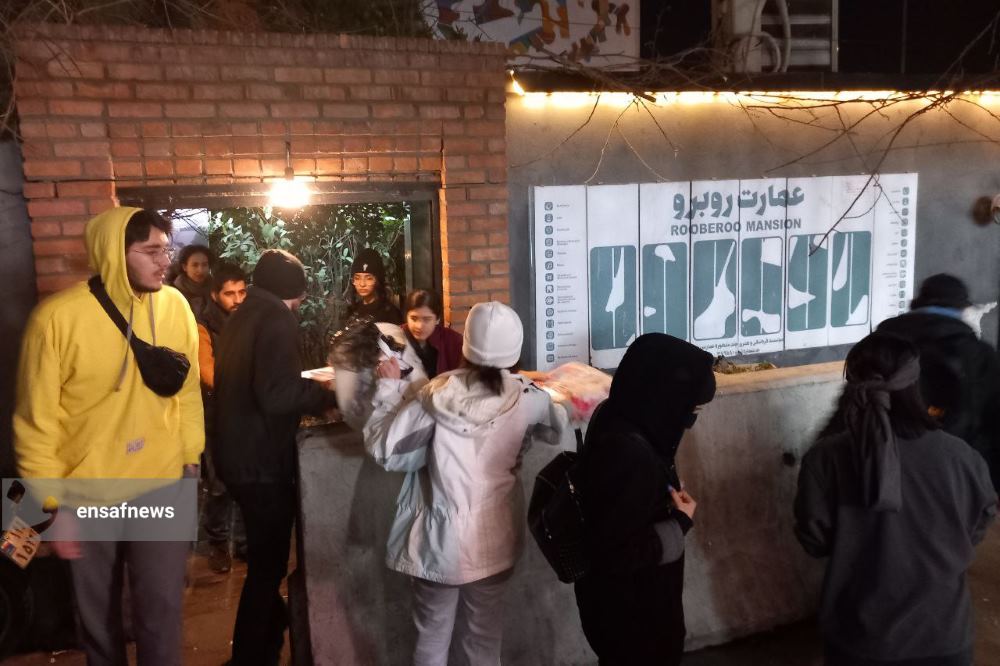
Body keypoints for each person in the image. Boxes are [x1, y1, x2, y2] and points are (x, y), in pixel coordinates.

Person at [14, 207, 205, 665]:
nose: (165, 262)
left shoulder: (175, 306)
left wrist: (190, 457)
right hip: (86, 494)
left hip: (162, 482)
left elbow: (189, 390)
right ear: (114, 254)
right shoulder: (55, 319)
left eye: (167, 250)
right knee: (96, 621)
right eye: (150, 251)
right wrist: (49, 508)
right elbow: (35, 424)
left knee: (162, 612)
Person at [364, 301, 570, 666]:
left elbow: (387, 450)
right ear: (515, 349)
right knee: (484, 642)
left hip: (439, 544)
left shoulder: (436, 395)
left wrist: (389, 389)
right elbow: (557, 428)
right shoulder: (529, 398)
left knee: (431, 640)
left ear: (466, 345)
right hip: (496, 540)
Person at [795, 332, 997, 666]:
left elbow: (814, 540)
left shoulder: (825, 459)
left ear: (853, 385)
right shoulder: (962, 457)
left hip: (860, 639)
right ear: (916, 381)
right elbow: (980, 520)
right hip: (944, 636)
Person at [213, 249, 338, 666]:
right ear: (293, 290)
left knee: (265, 566)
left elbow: (264, 381)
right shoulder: (276, 318)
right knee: (266, 570)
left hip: (239, 457)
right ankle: (251, 657)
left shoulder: (244, 314)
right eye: (301, 293)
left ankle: (267, 643)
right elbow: (277, 394)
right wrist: (327, 395)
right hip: (261, 463)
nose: (302, 301)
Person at [574, 333, 715, 665]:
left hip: (621, 618)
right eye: (689, 409)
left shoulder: (621, 417)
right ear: (663, 397)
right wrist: (679, 522)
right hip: (635, 625)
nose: (689, 420)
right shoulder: (628, 453)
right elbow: (616, 553)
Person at [875, 273, 1000, 488]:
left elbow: (855, 403)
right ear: (962, 309)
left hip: (884, 468)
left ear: (917, 304)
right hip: (955, 474)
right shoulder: (977, 353)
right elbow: (994, 419)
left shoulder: (879, 344)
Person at [196, 261, 248, 573]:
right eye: (230, 294)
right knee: (218, 485)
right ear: (215, 295)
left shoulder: (248, 318)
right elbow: (207, 371)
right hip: (215, 416)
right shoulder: (203, 325)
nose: (238, 299)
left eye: (242, 292)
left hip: (244, 413)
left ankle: (243, 543)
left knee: (244, 480)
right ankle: (217, 543)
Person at [401, 289, 463, 379]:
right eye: (414, 318)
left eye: (427, 319)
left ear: (437, 319)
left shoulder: (453, 341)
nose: (419, 326)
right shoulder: (395, 337)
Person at [343, 247, 402, 324]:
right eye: (357, 278)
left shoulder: (390, 313)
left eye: (369, 278)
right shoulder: (352, 311)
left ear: (378, 280)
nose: (362, 284)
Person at [173, 243, 212, 315]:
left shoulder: (216, 289)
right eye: (195, 265)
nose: (200, 270)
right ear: (184, 267)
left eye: (204, 264)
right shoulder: (174, 293)